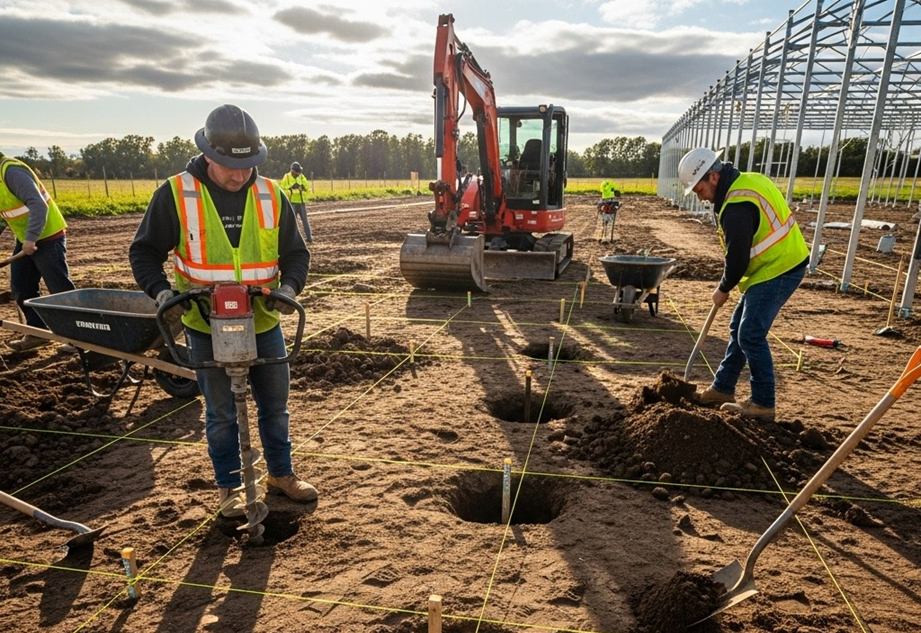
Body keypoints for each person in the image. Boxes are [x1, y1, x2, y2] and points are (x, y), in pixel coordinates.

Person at [129, 104, 317, 517]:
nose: (240, 175)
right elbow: (144, 252)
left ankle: (280, 475)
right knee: (220, 414)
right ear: (208, 155)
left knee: (275, 406)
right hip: (203, 322)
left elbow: (296, 254)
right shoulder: (176, 193)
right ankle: (230, 488)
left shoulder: (271, 193)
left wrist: (287, 289)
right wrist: (161, 292)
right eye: (231, 167)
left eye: (249, 166)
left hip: (264, 320)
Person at [678, 147, 809, 421]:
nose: (700, 197)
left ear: (713, 177)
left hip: (780, 267)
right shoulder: (748, 181)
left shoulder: (737, 205)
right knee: (739, 327)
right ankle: (723, 388)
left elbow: (737, 259)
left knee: (750, 333)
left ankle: (763, 403)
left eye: (699, 189)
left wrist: (723, 288)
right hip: (772, 265)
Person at [0, 152, 76, 351]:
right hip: (26, 238)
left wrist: (31, 238)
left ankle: (79, 338)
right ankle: (37, 331)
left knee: (59, 289)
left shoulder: (11, 171)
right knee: (21, 285)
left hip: (48, 236)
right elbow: (3, 216)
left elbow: (38, 204)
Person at [280, 162, 312, 242]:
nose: (298, 173)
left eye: (299, 171)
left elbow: (308, 189)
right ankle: (292, 239)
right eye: (297, 171)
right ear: (292, 171)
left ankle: (309, 237)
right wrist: (291, 189)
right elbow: (282, 190)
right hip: (292, 203)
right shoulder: (286, 177)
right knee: (292, 222)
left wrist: (302, 189)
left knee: (305, 220)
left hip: (301, 203)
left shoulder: (301, 177)